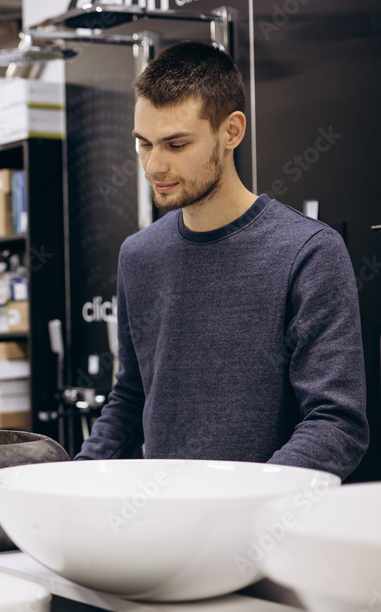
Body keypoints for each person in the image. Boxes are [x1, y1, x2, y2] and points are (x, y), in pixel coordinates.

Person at [76, 41, 368, 478]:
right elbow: (131, 397)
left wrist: (246, 503)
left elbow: (336, 423)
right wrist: (69, 482)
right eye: (143, 144)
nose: (154, 165)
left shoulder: (308, 252)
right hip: (165, 525)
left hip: (267, 532)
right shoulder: (138, 257)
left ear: (231, 131)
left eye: (176, 144)